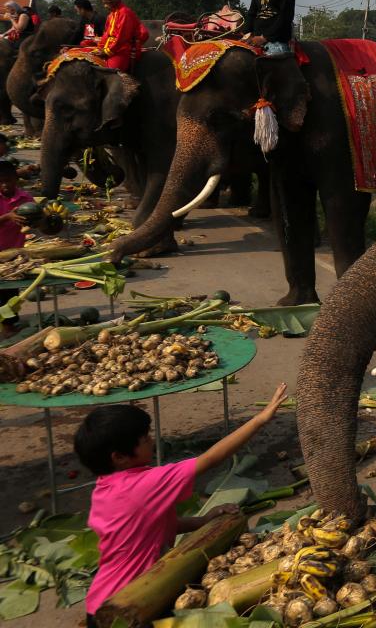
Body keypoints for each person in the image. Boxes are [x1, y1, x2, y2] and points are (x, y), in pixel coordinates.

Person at [76, 383, 290, 625]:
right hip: (131, 606)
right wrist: (259, 420)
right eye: (144, 438)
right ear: (120, 457)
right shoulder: (144, 485)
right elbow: (210, 459)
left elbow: (154, 527)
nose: (152, 440)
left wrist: (203, 520)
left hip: (100, 603)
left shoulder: (105, 487)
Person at [0, 159, 33, 337]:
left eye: (9, 180)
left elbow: (38, 222)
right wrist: (7, 217)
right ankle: (6, 326)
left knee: (11, 290)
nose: (5, 184)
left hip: (14, 253)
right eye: (1, 181)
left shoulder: (26, 199)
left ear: (16, 179)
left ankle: (9, 324)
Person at [87, 0, 149, 72]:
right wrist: (99, 48)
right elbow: (106, 35)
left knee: (110, 73)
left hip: (123, 50)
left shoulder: (124, 13)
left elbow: (122, 38)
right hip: (110, 48)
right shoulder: (111, 15)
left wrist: (106, 52)